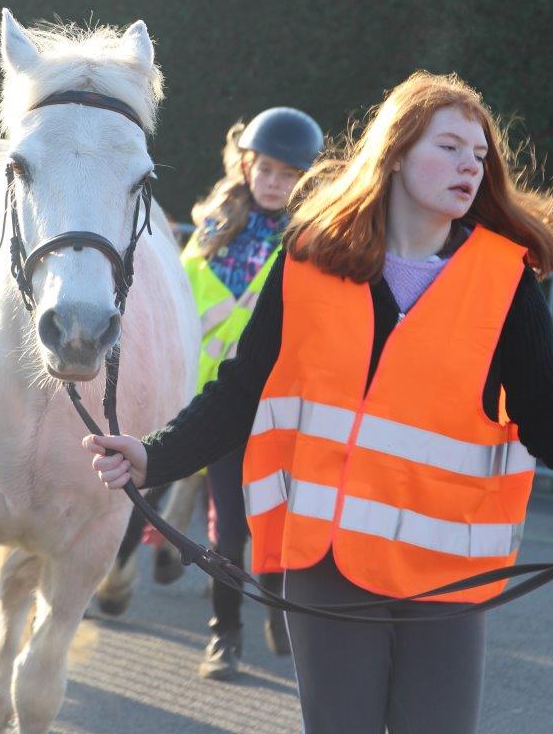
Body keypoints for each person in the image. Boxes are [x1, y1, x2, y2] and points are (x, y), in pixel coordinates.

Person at [84, 72, 553, 734]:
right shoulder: (309, 260)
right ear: (395, 152)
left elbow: (549, 400)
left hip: (447, 575)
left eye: (480, 156)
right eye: (450, 147)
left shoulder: (504, 279)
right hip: (329, 563)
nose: (470, 166)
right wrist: (152, 456)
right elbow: (242, 388)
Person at [146, 106, 324, 680]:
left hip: (282, 407)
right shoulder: (213, 230)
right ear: (248, 165)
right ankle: (225, 636)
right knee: (231, 527)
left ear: (304, 180)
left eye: (288, 174)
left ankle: (274, 604)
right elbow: (183, 305)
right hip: (217, 401)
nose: (273, 183)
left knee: (276, 522)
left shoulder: (313, 241)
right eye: (265, 169)